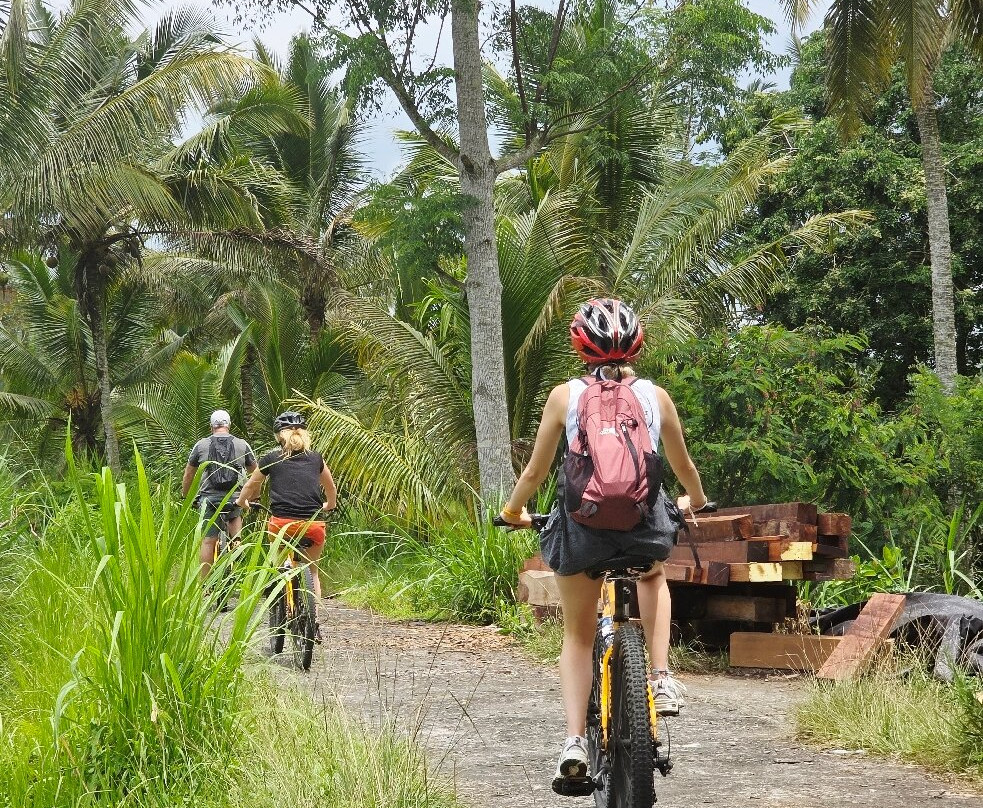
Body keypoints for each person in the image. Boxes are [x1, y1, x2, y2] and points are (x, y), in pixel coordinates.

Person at [498, 298, 713, 791]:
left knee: (576, 635)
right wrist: (694, 500)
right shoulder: (655, 398)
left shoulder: (564, 397)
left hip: (583, 530)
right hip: (641, 525)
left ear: (581, 348)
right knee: (655, 574)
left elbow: (534, 472)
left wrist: (513, 512)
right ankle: (660, 678)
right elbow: (682, 468)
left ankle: (574, 742)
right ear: (635, 345)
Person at [236, 411, 337, 623]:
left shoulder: (272, 458)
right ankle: (313, 620)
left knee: (279, 566)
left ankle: (282, 602)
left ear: (278, 436)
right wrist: (329, 505)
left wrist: (242, 503)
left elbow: (250, 486)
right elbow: (330, 488)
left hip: (281, 525)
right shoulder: (316, 458)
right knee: (313, 571)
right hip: (313, 525)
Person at [183, 409, 257, 582]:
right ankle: (237, 543)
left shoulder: (200, 445)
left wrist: (186, 496)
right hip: (235, 496)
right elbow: (256, 472)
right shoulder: (242, 444)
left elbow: (188, 475)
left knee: (208, 541)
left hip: (209, 498)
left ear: (212, 427)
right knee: (236, 510)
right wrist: (254, 497)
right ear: (228, 426)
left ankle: (206, 584)